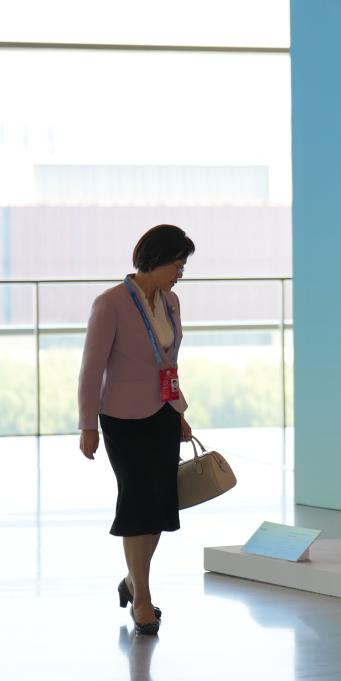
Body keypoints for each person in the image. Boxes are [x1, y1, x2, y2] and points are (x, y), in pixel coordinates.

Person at [78, 224, 195, 636]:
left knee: (160, 507)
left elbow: (170, 362)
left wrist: (178, 410)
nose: (181, 272)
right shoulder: (110, 303)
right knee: (136, 502)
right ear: (156, 260)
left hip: (163, 413)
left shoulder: (172, 301)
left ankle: (132, 579)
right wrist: (87, 425)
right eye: (178, 263)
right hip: (123, 420)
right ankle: (142, 599)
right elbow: (92, 370)